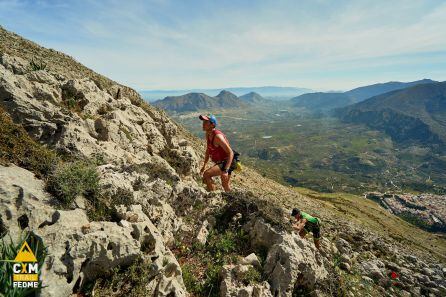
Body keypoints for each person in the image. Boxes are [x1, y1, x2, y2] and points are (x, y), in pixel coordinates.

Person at [199, 114, 236, 192]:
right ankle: (232, 200)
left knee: (207, 174)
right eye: (203, 122)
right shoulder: (208, 134)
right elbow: (208, 150)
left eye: (206, 122)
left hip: (228, 161)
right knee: (225, 185)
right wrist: (204, 165)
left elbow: (231, 153)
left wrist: (226, 170)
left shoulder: (217, 137)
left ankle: (213, 196)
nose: (203, 124)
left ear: (212, 125)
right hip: (222, 162)